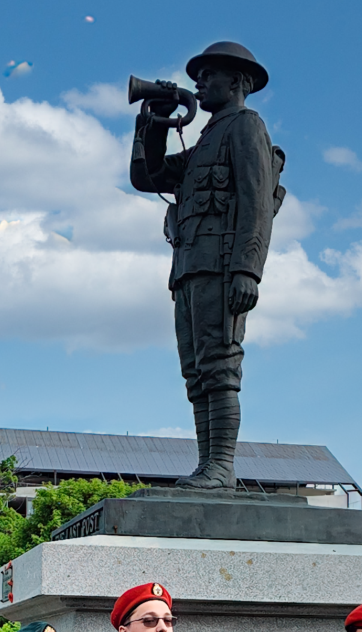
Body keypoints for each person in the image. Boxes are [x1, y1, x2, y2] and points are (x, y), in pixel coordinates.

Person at [130, 42, 282, 488]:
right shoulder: (203, 142)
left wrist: (247, 269)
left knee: (220, 365)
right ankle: (207, 466)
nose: (198, 83)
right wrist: (152, 123)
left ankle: (222, 467)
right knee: (196, 372)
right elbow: (147, 176)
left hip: (222, 266)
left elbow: (258, 201)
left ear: (237, 82)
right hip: (190, 269)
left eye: (209, 75)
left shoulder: (246, 126)